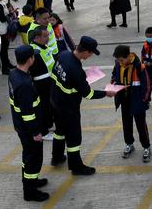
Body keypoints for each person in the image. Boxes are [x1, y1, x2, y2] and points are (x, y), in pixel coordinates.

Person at [50, 37, 115, 175]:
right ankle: (76, 166)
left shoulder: (64, 55)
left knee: (60, 131)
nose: (90, 56)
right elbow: (88, 93)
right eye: (91, 53)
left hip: (55, 101)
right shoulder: (75, 69)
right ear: (85, 51)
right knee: (74, 137)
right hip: (69, 107)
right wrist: (105, 93)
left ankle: (56, 157)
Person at [9, 45, 50, 202]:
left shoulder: (15, 74)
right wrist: (36, 133)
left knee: (29, 157)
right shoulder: (24, 84)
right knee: (32, 159)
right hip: (28, 129)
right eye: (34, 56)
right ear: (30, 59)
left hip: (21, 126)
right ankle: (30, 192)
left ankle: (32, 181)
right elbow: (27, 114)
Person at [110, 45, 152, 162]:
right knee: (126, 124)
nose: (120, 62)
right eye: (118, 60)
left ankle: (146, 147)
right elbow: (114, 74)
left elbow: (147, 85)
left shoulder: (140, 66)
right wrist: (113, 82)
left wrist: (144, 100)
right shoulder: (118, 64)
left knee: (141, 126)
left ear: (128, 56)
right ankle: (129, 143)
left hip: (137, 100)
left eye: (121, 60)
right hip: (124, 99)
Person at [28, 25, 55, 139]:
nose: (47, 38)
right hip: (40, 86)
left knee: (49, 107)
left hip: (49, 84)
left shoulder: (45, 47)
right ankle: (43, 132)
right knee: (42, 108)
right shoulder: (34, 52)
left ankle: (48, 125)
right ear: (37, 37)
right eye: (45, 36)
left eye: (48, 35)